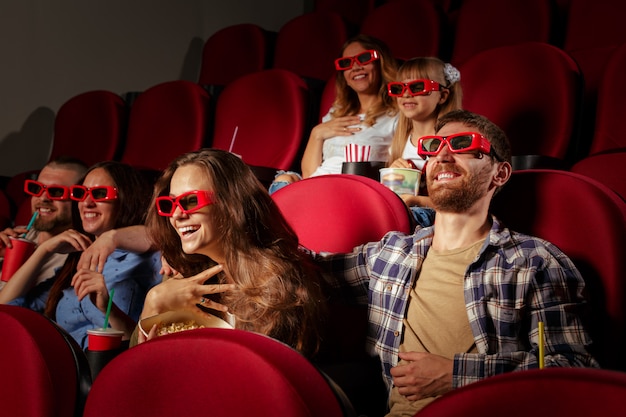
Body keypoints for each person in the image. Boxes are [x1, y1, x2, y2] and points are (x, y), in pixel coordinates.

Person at [312, 110, 599, 415]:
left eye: (463, 145)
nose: (443, 156)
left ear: (499, 174)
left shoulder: (534, 261)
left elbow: (572, 367)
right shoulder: (393, 252)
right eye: (433, 147)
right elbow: (307, 270)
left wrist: (456, 375)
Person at [140, 148, 327, 357]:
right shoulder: (187, 279)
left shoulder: (277, 286)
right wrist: (153, 301)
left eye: (191, 201)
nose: (176, 215)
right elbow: (137, 369)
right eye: (170, 203)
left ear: (231, 203)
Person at [0, 161, 162, 349]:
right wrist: (44, 251)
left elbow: (145, 346)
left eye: (100, 194)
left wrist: (113, 237)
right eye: (80, 194)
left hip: (107, 368)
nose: (87, 203)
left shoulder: (150, 257)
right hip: (59, 364)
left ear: (126, 198)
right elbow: (7, 307)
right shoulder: (79, 258)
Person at [268, 34, 398, 193]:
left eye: (364, 58)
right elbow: (309, 174)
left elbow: (396, 170)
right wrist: (317, 133)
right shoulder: (336, 114)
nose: (355, 67)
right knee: (283, 180)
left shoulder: (395, 114)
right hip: (318, 186)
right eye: (346, 63)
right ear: (345, 77)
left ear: (381, 63)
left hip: (355, 190)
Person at [386, 57, 462, 227]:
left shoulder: (453, 144)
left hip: (443, 223)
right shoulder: (399, 143)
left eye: (418, 87)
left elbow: (462, 203)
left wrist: (416, 200)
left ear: (442, 96)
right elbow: (396, 198)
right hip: (404, 221)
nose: (406, 94)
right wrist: (393, 178)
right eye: (399, 88)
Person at [0, 156, 88, 288]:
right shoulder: (18, 235)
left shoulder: (79, 255)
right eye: (36, 188)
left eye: (56, 192)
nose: (42, 198)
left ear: (80, 198)